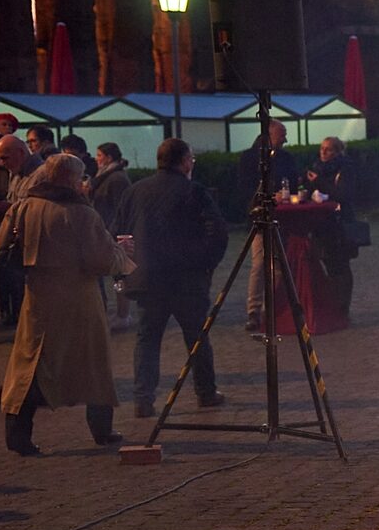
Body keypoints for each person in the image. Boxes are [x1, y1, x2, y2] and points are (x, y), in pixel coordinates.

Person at [0, 154, 135, 455]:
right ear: (72, 179)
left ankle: (17, 434)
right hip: (79, 299)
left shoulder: (22, 207)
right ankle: (102, 429)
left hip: (37, 298)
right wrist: (120, 252)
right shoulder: (82, 213)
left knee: (30, 364)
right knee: (93, 364)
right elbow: (100, 260)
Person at [113, 138, 230, 420]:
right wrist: (204, 264)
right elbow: (217, 232)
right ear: (185, 161)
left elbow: (118, 232)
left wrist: (126, 270)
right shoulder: (194, 191)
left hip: (148, 278)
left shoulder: (135, 191)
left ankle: (143, 398)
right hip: (186, 279)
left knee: (147, 339)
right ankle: (205, 392)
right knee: (197, 337)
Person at [238, 120, 300, 334]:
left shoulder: (286, 158)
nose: (285, 139)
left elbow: (293, 183)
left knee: (279, 266)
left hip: (282, 218)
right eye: (282, 135)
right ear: (270, 135)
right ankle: (254, 311)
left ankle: (269, 308)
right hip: (260, 218)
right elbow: (245, 189)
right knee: (259, 264)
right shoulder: (249, 158)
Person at [302, 136, 359, 321]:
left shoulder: (345, 168)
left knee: (340, 265)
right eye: (322, 148)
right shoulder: (317, 167)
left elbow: (343, 194)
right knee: (327, 263)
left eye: (328, 149)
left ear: (337, 151)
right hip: (322, 223)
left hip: (339, 222)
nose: (323, 152)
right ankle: (331, 305)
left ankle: (342, 307)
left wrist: (319, 182)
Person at [0, 134, 44, 325]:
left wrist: (5, 208)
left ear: (20, 153)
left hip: (32, 246)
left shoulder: (40, 174)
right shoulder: (15, 172)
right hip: (17, 245)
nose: (1, 163)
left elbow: (37, 209)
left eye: (4, 157)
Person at [89, 143, 134, 331]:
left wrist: (118, 232)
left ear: (108, 157)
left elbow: (121, 207)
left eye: (99, 155)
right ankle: (122, 313)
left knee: (119, 276)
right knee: (117, 275)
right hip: (109, 229)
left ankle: (123, 313)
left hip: (115, 232)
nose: (97, 158)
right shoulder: (107, 176)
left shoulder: (116, 178)